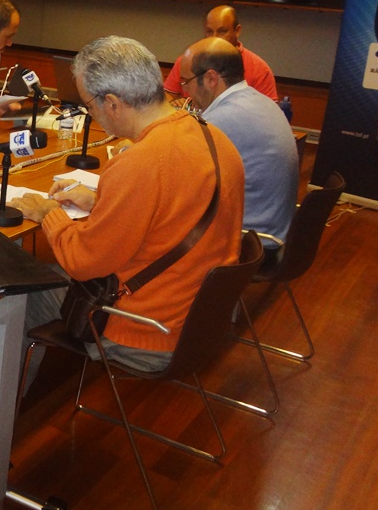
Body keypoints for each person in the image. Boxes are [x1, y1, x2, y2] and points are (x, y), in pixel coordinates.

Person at [12, 36, 244, 374]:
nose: (91, 114)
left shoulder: (139, 162)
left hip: (149, 329)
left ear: (112, 103)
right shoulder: (213, 135)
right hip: (203, 321)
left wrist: (50, 214)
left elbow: (82, 262)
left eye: (89, 106)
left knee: (21, 291)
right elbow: (171, 212)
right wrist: (100, 202)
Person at [179, 36, 298, 249]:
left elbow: (175, 177)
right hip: (275, 228)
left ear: (211, 78)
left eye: (186, 82)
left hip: (252, 242)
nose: (186, 91)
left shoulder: (221, 120)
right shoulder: (259, 100)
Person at [164, 5, 278, 102]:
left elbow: (267, 111)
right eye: (209, 31)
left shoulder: (260, 69)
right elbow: (166, 98)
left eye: (222, 31)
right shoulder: (186, 61)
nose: (214, 38)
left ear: (237, 31)